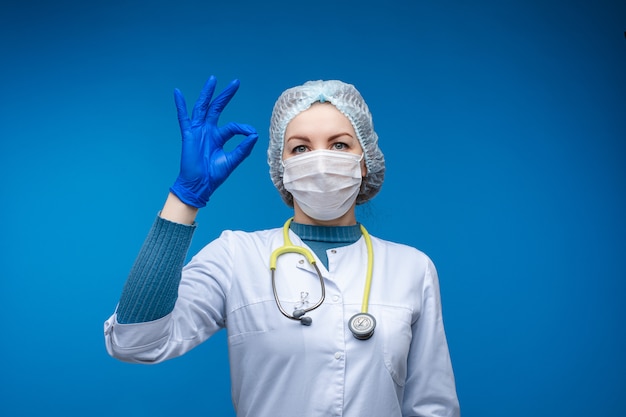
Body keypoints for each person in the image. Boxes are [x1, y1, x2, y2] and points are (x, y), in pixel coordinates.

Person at [104, 75, 461, 417]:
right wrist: (185, 198)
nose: (320, 160)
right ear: (282, 166)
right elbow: (135, 341)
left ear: (364, 160)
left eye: (339, 145)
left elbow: (433, 407)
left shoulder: (412, 268)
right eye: (301, 147)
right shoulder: (236, 257)